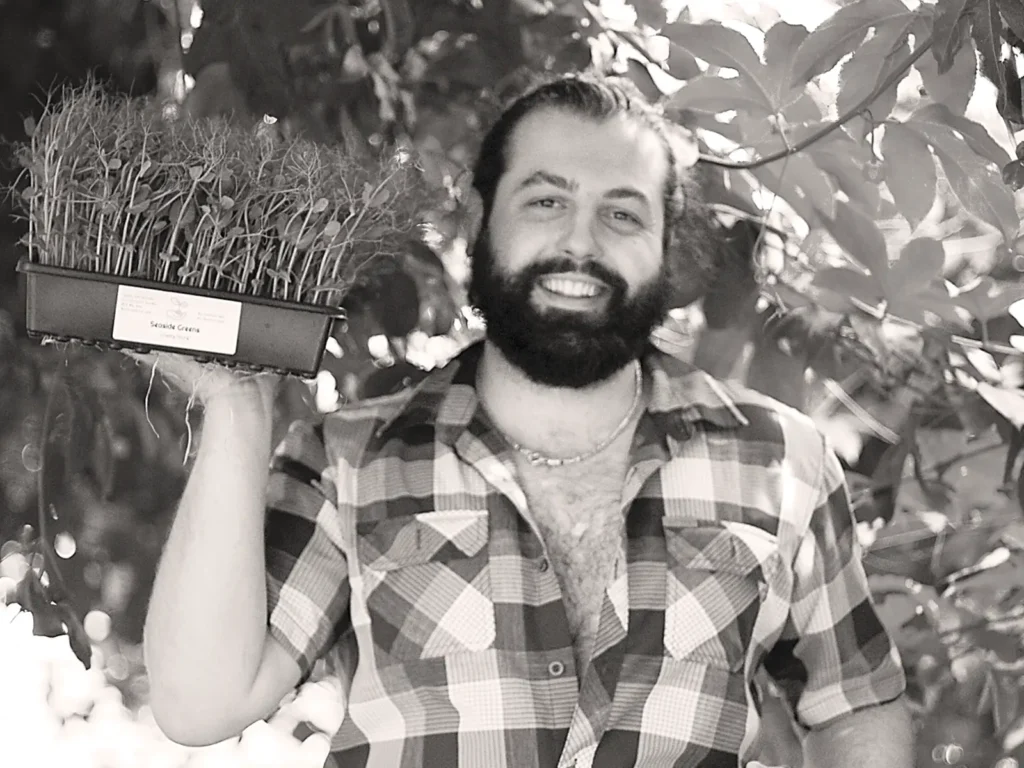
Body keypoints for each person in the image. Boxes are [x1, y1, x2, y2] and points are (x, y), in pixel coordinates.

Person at [139, 74, 913, 768]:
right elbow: (201, 703)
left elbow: (856, 701)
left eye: (623, 214)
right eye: (546, 201)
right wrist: (238, 408)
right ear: (480, 219)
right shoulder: (345, 459)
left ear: (667, 249)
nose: (580, 242)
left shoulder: (782, 459)